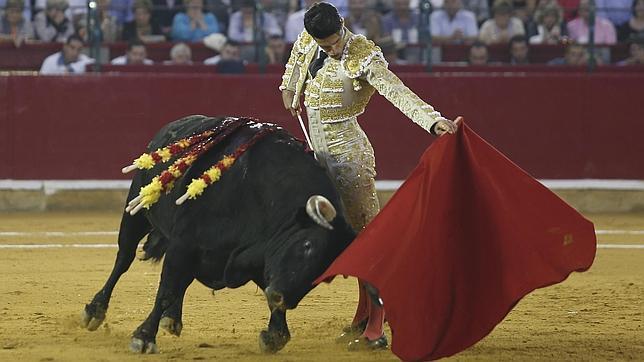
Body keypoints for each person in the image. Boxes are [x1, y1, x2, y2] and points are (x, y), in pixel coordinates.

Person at [279, 1, 457, 351]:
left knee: (367, 240)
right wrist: (289, 88)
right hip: (316, 155)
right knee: (335, 237)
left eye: (333, 42)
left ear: (342, 25)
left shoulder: (365, 56)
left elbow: (397, 92)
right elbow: (296, 62)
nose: (331, 49)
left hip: (349, 155)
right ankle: (364, 314)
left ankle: (377, 325)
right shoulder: (311, 38)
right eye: (324, 45)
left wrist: (432, 121)